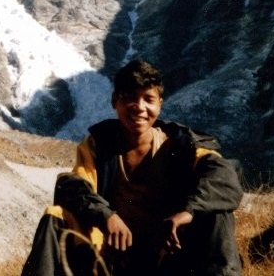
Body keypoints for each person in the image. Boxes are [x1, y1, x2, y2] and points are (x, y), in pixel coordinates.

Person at [21, 59, 243, 276]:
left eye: (148, 99)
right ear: (115, 101)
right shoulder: (99, 145)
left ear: (159, 104)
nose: (140, 107)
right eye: (130, 98)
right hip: (110, 260)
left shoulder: (183, 145)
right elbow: (73, 187)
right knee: (56, 215)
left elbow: (225, 177)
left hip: (170, 257)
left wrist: (188, 211)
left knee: (216, 212)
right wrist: (107, 216)